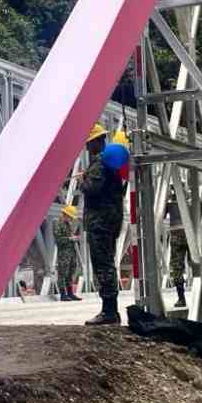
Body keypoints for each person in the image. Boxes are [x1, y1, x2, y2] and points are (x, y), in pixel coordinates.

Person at [81, 123, 124, 326]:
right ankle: (110, 310)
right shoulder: (111, 164)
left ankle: (109, 311)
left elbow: (93, 189)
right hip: (110, 220)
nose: (87, 148)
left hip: (100, 222)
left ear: (98, 142)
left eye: (89, 144)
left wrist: (84, 180)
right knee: (107, 262)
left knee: (103, 264)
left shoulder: (99, 164)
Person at [166, 197, 191, 308]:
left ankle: (181, 298)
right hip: (191, 236)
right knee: (196, 266)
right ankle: (199, 296)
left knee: (177, 267)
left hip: (176, 236)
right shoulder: (194, 200)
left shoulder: (170, 203)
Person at [54, 205, 82, 302]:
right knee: (63, 273)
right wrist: (70, 239)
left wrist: (73, 238)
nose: (71, 219)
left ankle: (70, 293)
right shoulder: (58, 224)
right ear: (65, 215)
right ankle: (63, 294)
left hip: (71, 252)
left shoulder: (67, 224)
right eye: (70, 216)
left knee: (71, 272)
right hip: (64, 253)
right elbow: (58, 240)